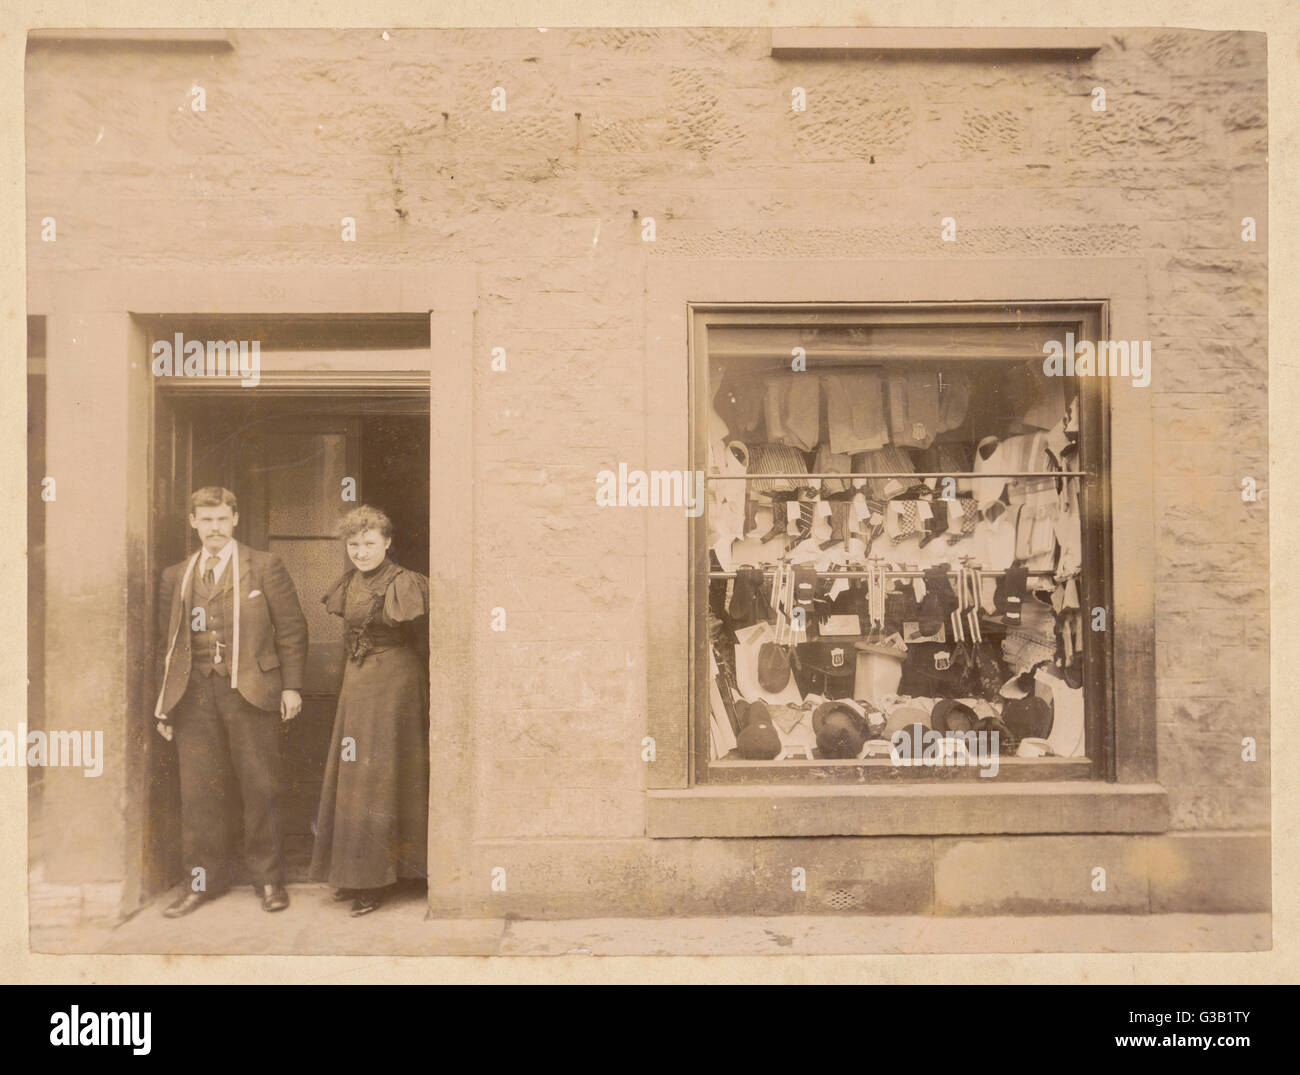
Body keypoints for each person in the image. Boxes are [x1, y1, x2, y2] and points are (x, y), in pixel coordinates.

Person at [155, 486, 308, 917]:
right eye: (206, 520)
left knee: (260, 787)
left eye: (222, 519)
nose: (215, 528)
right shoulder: (177, 575)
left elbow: (293, 630)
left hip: (251, 693)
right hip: (194, 696)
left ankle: (269, 881)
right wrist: (164, 703)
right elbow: (165, 643)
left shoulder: (263, 566)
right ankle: (202, 882)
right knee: (199, 793)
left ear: (235, 519)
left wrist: (291, 687)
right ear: (193, 523)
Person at [310, 506, 430, 916]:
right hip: (357, 683)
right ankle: (354, 873)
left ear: (387, 542)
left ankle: (379, 879)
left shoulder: (405, 584)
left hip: (395, 685)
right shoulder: (348, 583)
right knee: (355, 775)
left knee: (380, 778)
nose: (361, 552)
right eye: (354, 544)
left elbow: (422, 641)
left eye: (369, 544)